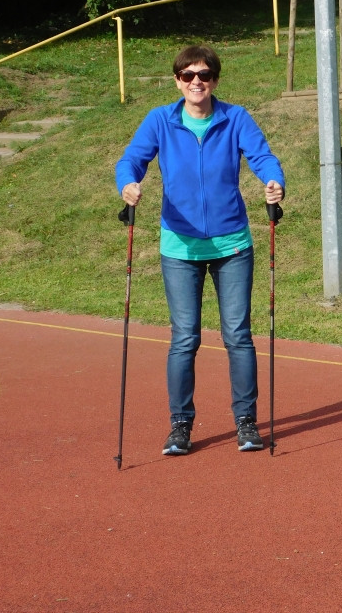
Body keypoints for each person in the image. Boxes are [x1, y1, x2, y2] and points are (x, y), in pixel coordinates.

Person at [115, 44, 285, 455]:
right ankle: (180, 426)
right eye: (188, 75)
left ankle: (246, 423)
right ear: (177, 80)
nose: (196, 82)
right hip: (180, 247)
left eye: (204, 75)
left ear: (215, 81)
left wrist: (274, 180)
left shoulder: (235, 117)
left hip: (232, 245)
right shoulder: (160, 120)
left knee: (237, 335)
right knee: (185, 338)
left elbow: (262, 156)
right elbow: (131, 160)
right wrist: (128, 184)